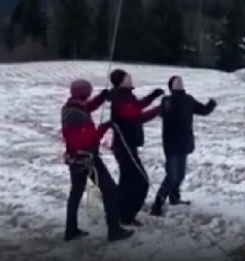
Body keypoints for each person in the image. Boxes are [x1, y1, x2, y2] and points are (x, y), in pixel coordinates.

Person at [61, 79, 135, 243]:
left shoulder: (71, 107)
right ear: (83, 93)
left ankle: (71, 229)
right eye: (88, 93)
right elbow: (87, 140)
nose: (89, 96)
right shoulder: (75, 115)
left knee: (76, 192)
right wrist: (105, 127)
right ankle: (114, 230)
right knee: (110, 190)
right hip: (87, 159)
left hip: (75, 159)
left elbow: (88, 108)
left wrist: (102, 97)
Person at [151, 75, 216, 216]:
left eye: (181, 80)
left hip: (184, 143)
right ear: (171, 86)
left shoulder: (188, 99)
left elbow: (203, 110)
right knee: (171, 175)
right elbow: (161, 113)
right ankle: (157, 205)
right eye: (176, 81)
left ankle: (174, 198)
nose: (179, 82)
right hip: (171, 143)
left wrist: (211, 104)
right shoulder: (167, 100)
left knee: (180, 175)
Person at [108, 69, 164, 226]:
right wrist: (158, 110)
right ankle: (126, 216)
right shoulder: (120, 98)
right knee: (141, 182)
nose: (131, 78)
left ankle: (119, 213)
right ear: (121, 81)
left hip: (126, 146)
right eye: (127, 77)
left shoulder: (125, 95)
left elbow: (136, 106)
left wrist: (153, 96)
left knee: (127, 181)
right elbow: (135, 117)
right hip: (124, 147)